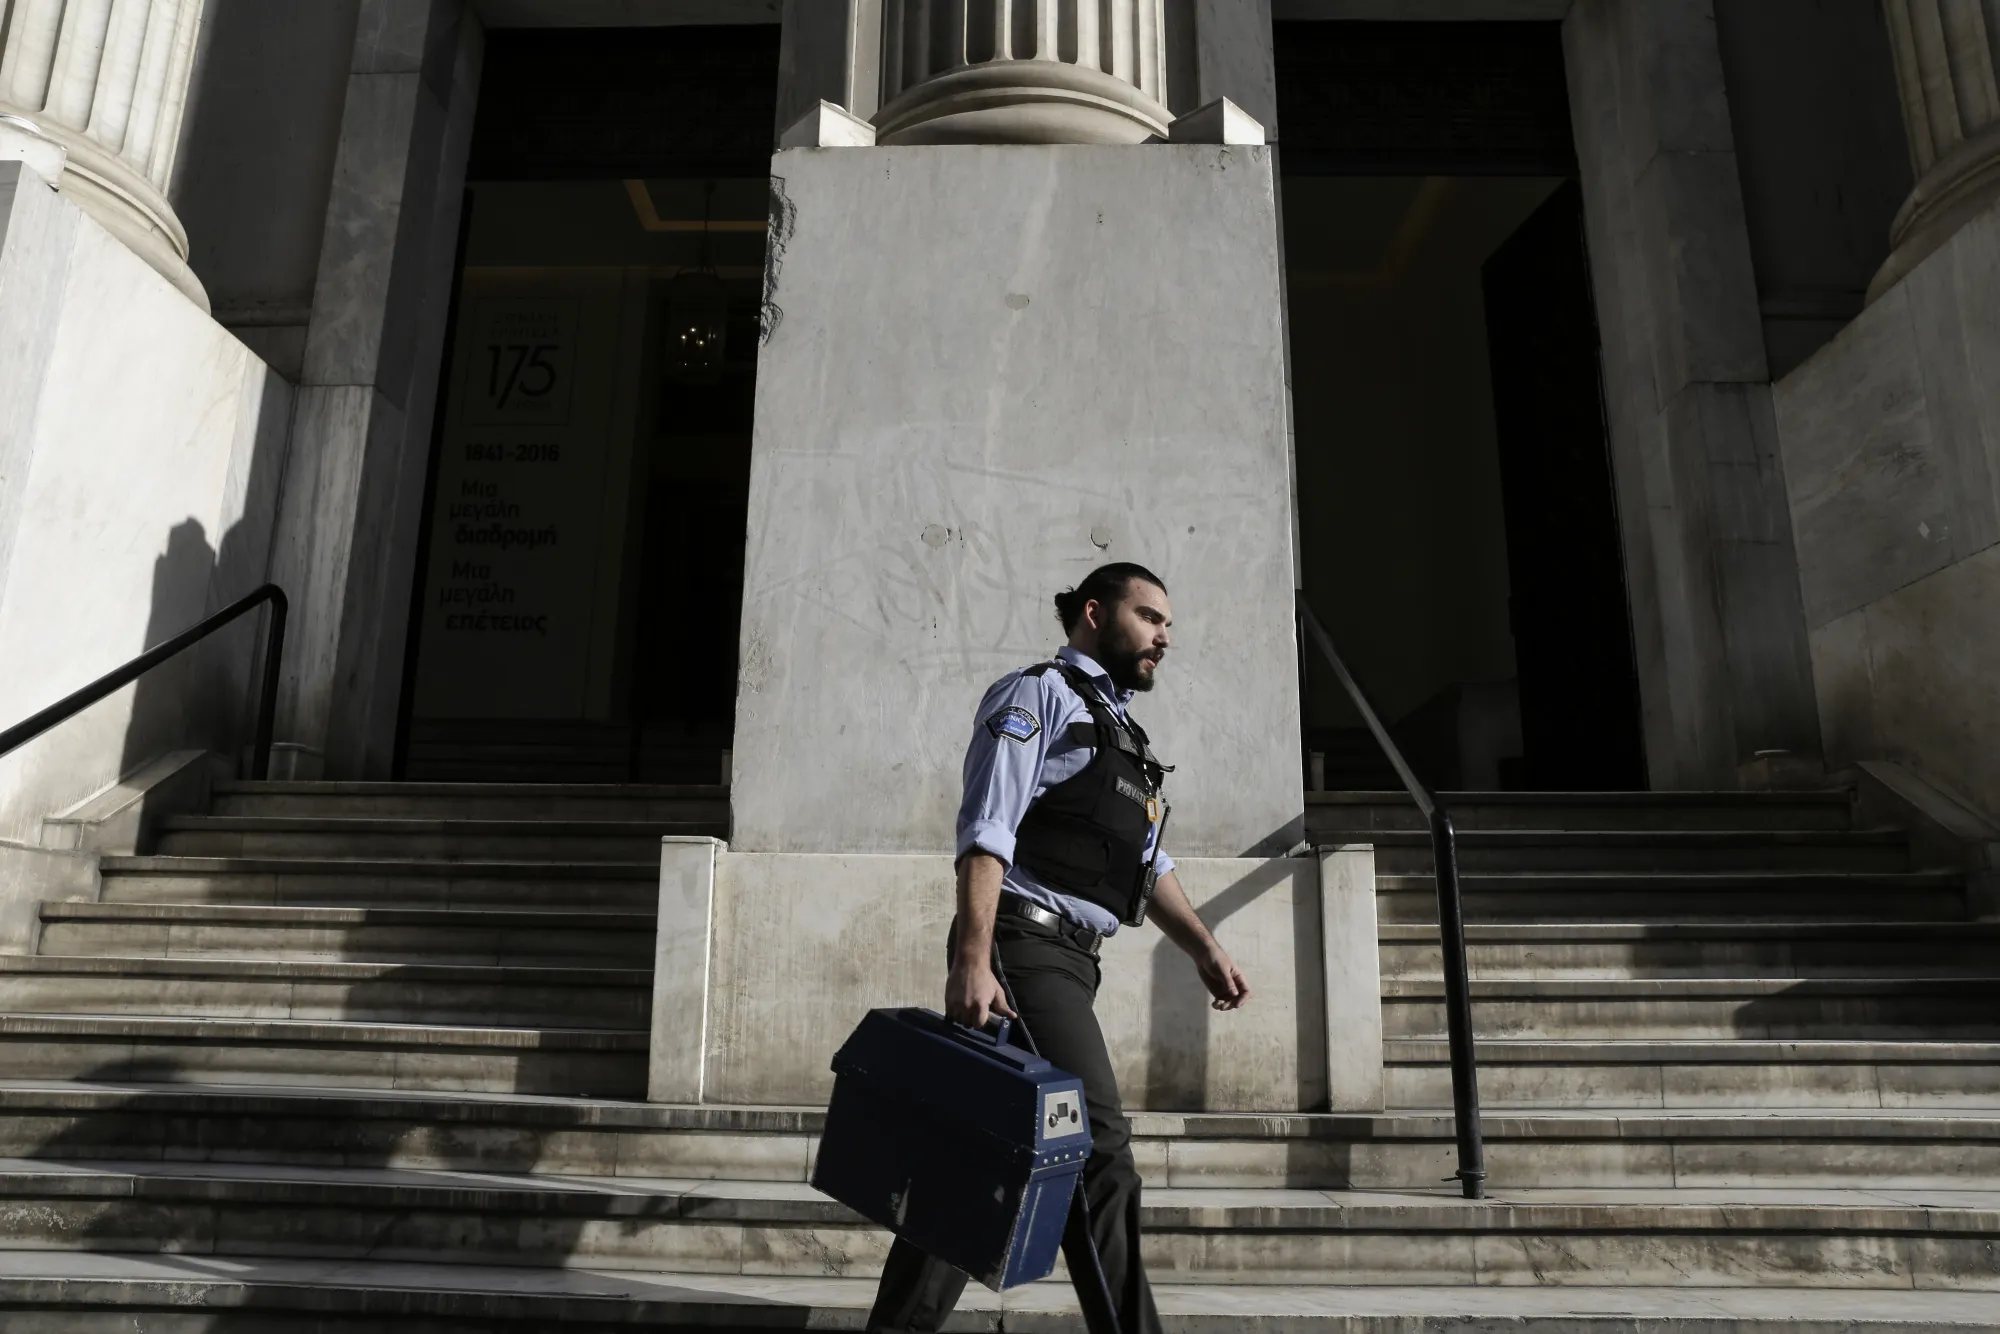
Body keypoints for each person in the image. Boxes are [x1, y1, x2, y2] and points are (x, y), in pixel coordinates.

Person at [865, 562, 1251, 1334]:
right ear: (1093, 613)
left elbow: (1147, 862)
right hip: (1022, 945)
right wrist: (971, 959)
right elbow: (987, 830)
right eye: (1149, 619)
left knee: (979, 1151)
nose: (1163, 638)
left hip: (1072, 959)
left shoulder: (1122, 731)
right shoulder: (1035, 695)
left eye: (1168, 625)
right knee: (1100, 1149)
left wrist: (1203, 947)